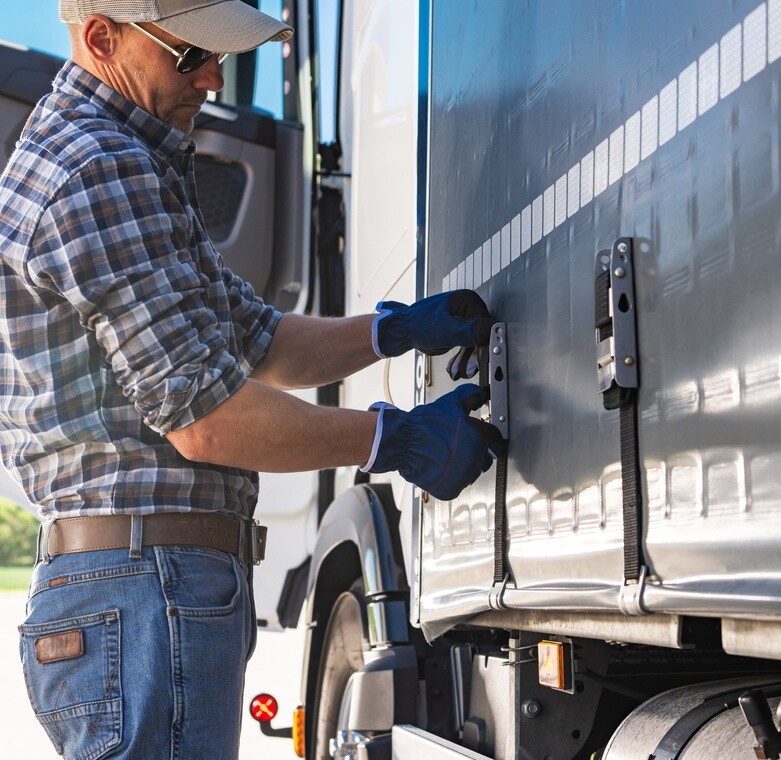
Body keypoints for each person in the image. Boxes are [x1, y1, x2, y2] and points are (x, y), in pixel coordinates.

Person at [0, 1, 503, 757]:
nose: (212, 76)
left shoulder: (126, 157)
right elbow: (206, 420)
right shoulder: (98, 168)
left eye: (222, 56)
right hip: (145, 586)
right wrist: (390, 439)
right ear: (101, 37)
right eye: (190, 56)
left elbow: (255, 339)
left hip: (141, 587)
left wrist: (388, 332)